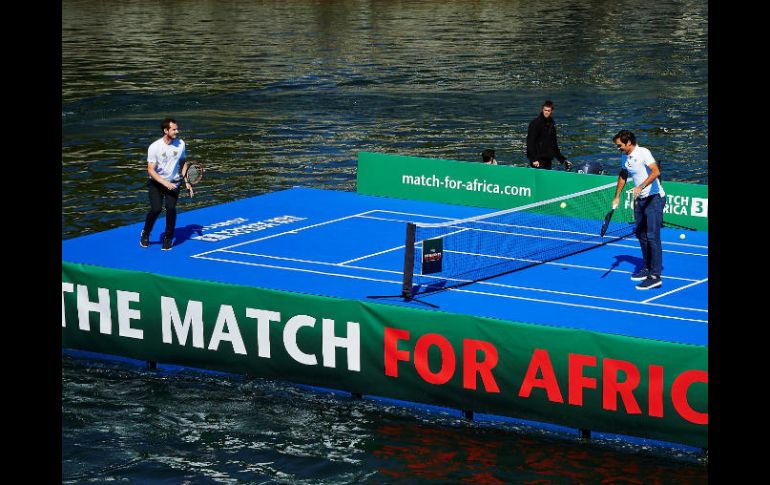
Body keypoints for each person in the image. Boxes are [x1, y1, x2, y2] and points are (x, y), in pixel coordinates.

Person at [610, 130, 666, 290]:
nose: (618, 148)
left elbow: (656, 171)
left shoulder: (643, 153)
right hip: (639, 199)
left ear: (628, 143)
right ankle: (647, 267)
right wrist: (617, 196)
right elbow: (623, 175)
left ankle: (655, 276)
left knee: (652, 236)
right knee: (640, 234)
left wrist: (641, 186)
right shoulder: (624, 157)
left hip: (654, 198)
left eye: (620, 146)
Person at [139, 118, 192, 250]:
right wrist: (164, 182)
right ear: (165, 130)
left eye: (177, 129)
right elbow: (150, 170)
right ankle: (146, 233)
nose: (177, 131)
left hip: (174, 183)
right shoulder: (155, 147)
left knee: (171, 208)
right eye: (174, 129)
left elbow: (183, 162)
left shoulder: (181, 144)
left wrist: (187, 181)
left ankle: (168, 238)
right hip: (156, 183)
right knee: (156, 209)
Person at [526, 100, 572, 171]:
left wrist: (563, 160)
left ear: (552, 111)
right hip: (537, 160)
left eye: (548, 110)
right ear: (542, 110)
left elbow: (554, 145)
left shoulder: (551, 125)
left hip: (548, 160)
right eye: (545, 110)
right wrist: (533, 159)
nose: (546, 112)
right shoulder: (535, 123)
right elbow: (530, 142)